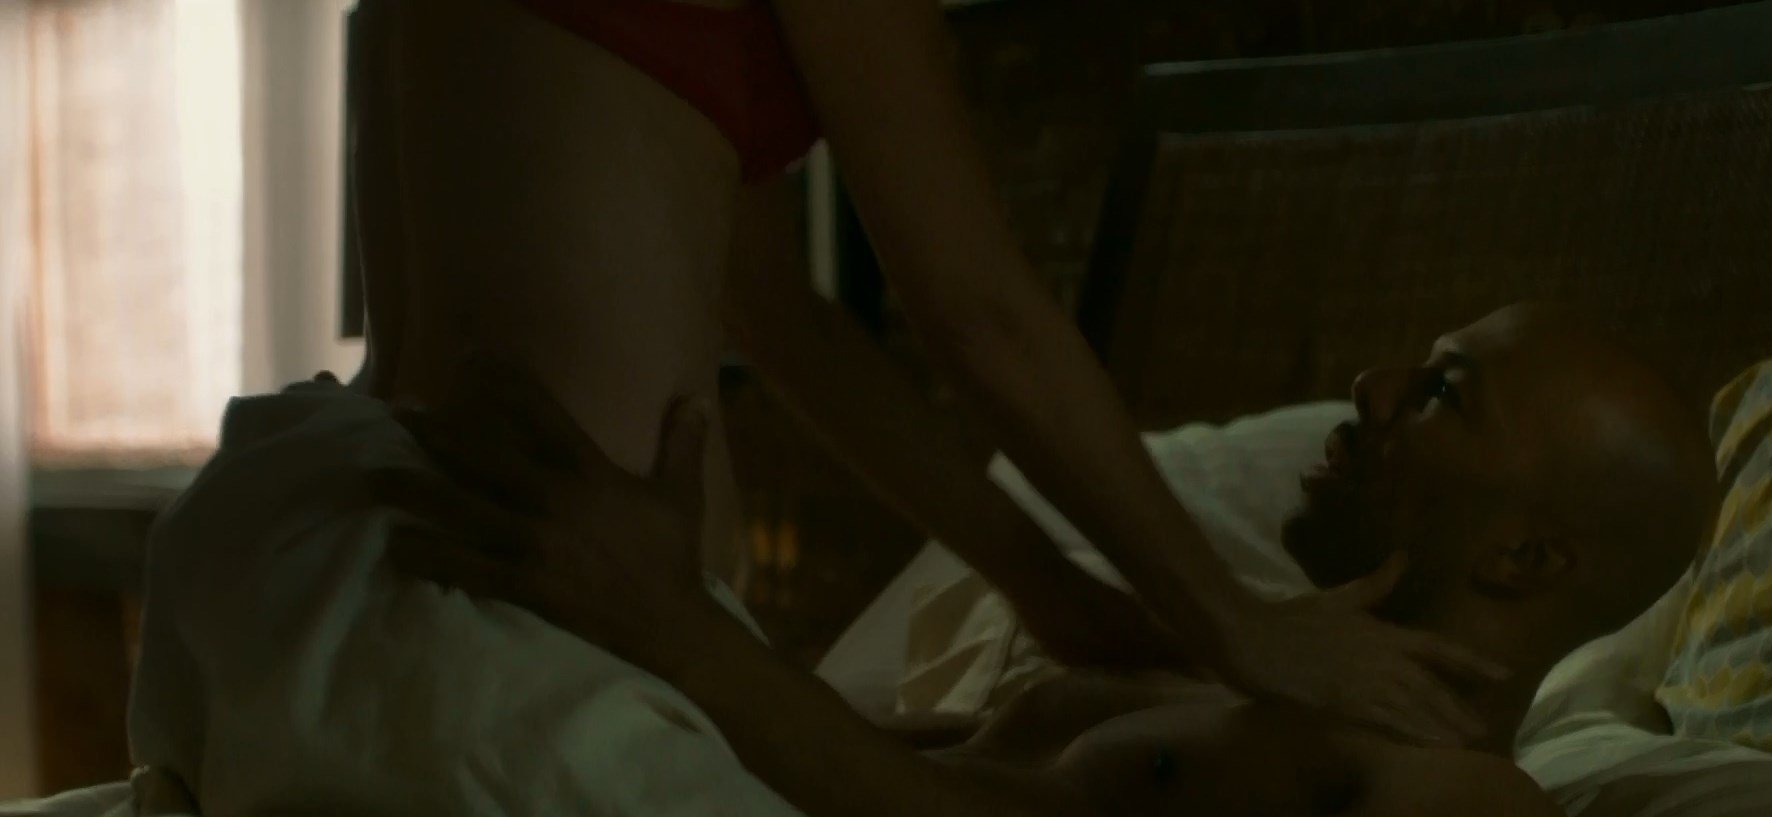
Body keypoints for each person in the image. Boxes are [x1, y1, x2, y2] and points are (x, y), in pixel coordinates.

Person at [370, 302, 1722, 817]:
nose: (1369, 384)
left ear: (1526, 553)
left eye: (1440, 393)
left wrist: (683, 634)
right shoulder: (1222, 680)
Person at [342, 0, 1506, 746]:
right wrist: (1240, 626)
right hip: (542, 637)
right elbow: (976, 308)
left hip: (365, 563)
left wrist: (1046, 587)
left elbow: (782, 318)